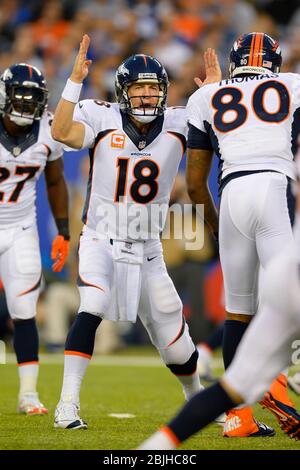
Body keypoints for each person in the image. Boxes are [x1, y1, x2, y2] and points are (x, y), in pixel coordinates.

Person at [51, 35, 222, 430]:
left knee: (177, 342)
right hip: (101, 239)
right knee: (92, 305)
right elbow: (61, 132)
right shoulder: (100, 115)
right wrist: (74, 80)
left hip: (148, 250)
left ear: (163, 92)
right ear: (122, 91)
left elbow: (227, 127)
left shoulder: (181, 121)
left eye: (153, 88)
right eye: (138, 88)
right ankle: (67, 405)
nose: (146, 96)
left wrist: (215, 92)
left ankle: (197, 404)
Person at [137, 118, 300, 453]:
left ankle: (152, 451)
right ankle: (281, 383)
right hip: (275, 224)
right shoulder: (287, 100)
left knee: (234, 375)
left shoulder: (221, 107)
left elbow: (197, 184)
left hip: (285, 269)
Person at [177, 31, 300, 438]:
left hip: (231, 196)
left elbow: (195, 183)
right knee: (287, 299)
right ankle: (281, 387)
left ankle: (238, 419)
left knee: (238, 313)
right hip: (273, 187)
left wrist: (214, 223)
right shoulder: (293, 84)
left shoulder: (204, 97)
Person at [0, 63, 70, 414]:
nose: (26, 105)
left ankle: (28, 394)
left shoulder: (47, 130)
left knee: (24, 309)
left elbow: (55, 181)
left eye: (33, 99)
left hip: (20, 228)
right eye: (20, 97)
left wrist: (64, 231)